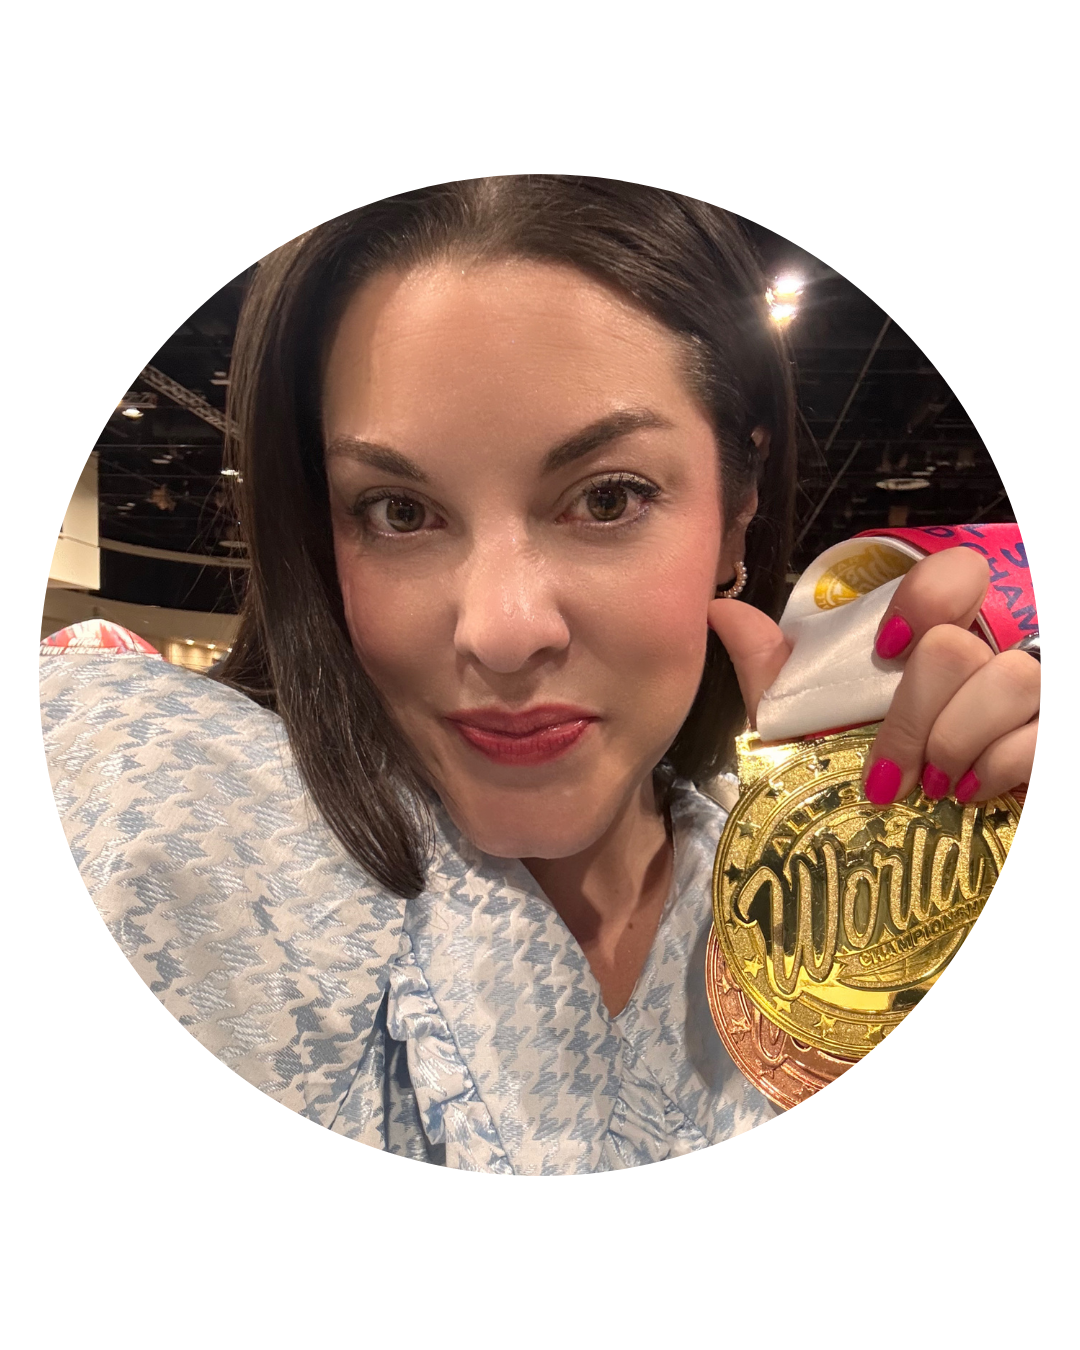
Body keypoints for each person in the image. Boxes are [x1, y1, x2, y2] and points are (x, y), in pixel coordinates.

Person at [40, 179, 1039, 1172]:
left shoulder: (825, 900)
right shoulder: (161, 818)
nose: (502, 631)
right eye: (397, 510)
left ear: (737, 507)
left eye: (608, 499)